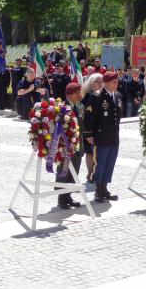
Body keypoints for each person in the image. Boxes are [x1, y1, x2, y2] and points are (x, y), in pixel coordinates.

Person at [84, 72, 122, 203]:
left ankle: (105, 188)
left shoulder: (117, 96)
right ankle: (98, 190)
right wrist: (88, 134)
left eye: (116, 82)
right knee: (100, 164)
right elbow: (88, 117)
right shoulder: (97, 96)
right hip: (100, 136)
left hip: (113, 136)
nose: (116, 84)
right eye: (113, 82)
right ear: (105, 83)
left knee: (110, 163)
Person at [56, 82, 84, 210]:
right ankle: (61, 198)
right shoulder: (63, 108)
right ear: (72, 94)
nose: (81, 94)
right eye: (78, 92)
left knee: (74, 172)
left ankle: (68, 196)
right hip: (66, 147)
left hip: (77, 146)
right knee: (64, 171)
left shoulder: (78, 106)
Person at [82, 73, 103, 182]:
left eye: (101, 81)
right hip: (90, 128)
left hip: (101, 129)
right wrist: (88, 133)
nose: (100, 84)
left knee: (99, 152)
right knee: (90, 152)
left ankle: (96, 172)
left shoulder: (103, 95)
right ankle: (90, 173)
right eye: (97, 81)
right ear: (91, 83)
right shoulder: (87, 96)